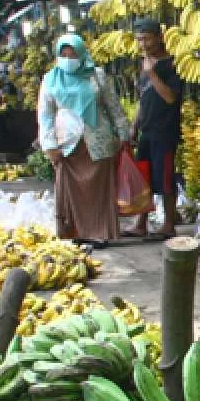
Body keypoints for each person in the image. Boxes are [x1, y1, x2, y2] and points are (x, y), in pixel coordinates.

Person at [37, 34, 130, 247]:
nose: (68, 58)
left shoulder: (96, 76)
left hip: (97, 139)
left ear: (82, 54)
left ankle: (99, 232)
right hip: (66, 142)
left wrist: (124, 135)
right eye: (64, 54)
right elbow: (45, 115)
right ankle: (76, 231)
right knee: (70, 189)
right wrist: (49, 145)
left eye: (73, 54)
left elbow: (113, 106)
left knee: (99, 188)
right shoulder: (50, 79)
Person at [125, 18, 183, 239]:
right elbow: (143, 98)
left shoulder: (171, 65)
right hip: (147, 130)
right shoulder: (145, 64)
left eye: (147, 38)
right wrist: (134, 125)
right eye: (139, 39)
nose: (143, 44)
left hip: (165, 132)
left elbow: (170, 98)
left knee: (166, 178)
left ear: (159, 37)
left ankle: (169, 224)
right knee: (144, 178)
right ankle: (140, 222)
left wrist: (152, 74)